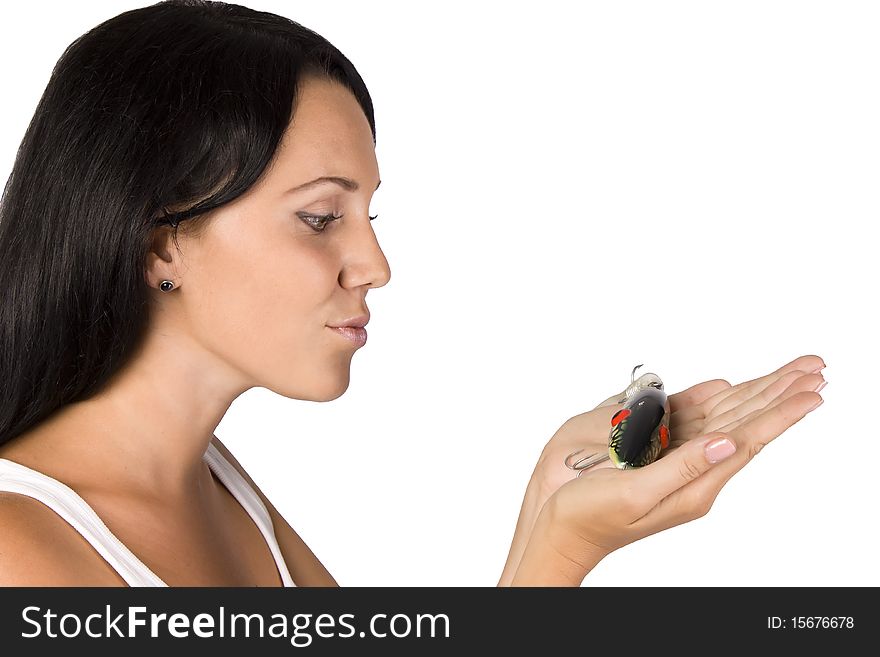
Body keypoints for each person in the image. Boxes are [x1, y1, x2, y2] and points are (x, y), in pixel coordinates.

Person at [0, 0, 826, 587]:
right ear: (159, 243)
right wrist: (561, 553)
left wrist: (553, 510)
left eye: (368, 212)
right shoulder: (20, 551)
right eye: (321, 216)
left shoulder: (213, 480)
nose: (375, 263)